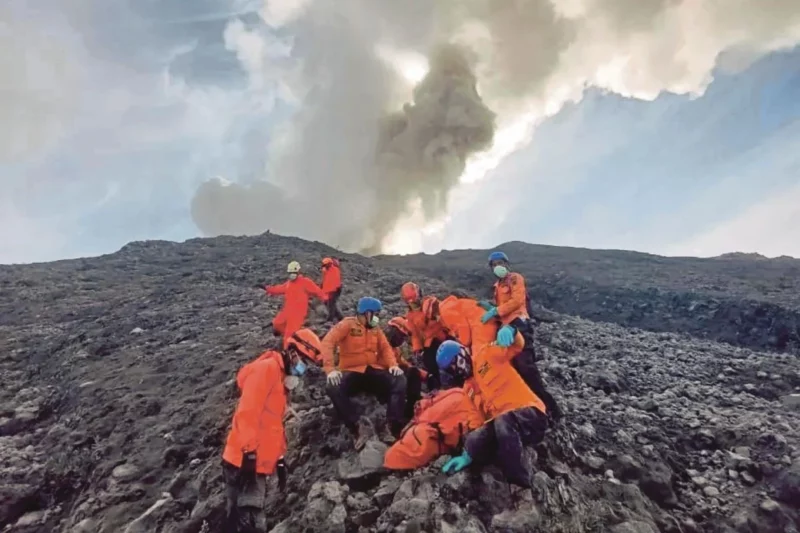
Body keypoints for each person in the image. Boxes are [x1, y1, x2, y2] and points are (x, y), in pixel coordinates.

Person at [221, 335, 318, 533]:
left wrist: (279, 458)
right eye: (304, 362)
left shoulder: (280, 378)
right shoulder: (266, 370)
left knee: (237, 517)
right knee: (250, 519)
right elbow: (248, 412)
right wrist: (249, 453)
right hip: (245, 460)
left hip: (255, 459)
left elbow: (272, 425)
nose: (303, 369)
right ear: (292, 353)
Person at [436, 338, 548, 491]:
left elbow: (516, 346)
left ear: (463, 353)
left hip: (531, 416)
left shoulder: (486, 354)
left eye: (457, 363)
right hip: (508, 430)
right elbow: (476, 422)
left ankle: (519, 484)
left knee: (503, 421)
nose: (459, 370)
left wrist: (512, 333)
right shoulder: (468, 389)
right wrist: (468, 452)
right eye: (452, 369)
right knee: (475, 439)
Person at [480, 251, 563, 422]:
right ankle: (530, 408)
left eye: (500, 263)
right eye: (494, 265)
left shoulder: (515, 278)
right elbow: (502, 308)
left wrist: (496, 310)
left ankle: (552, 411)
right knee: (515, 369)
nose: (498, 267)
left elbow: (517, 300)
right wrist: (491, 308)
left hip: (519, 324)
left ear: (507, 264)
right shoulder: (497, 287)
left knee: (527, 368)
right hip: (505, 328)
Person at [321, 297, 407, 450]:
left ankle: (393, 424)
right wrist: (330, 370)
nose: (377, 317)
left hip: (372, 371)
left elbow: (385, 348)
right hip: (351, 372)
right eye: (375, 314)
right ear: (367, 313)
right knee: (332, 387)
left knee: (399, 380)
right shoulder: (347, 324)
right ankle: (357, 426)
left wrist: (393, 365)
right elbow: (328, 342)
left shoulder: (375, 328)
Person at [263, 261, 327, 347]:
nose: (291, 275)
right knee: (277, 323)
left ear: (298, 272)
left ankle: (289, 349)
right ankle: (295, 336)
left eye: (293, 273)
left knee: (288, 336)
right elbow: (278, 289)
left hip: (298, 313)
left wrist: (325, 298)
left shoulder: (305, 282)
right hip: (287, 310)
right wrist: (267, 288)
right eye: (290, 273)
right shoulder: (289, 283)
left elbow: (317, 290)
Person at [401, 282, 448, 390]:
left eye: (414, 299)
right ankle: (438, 386)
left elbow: (442, 314)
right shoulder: (411, 315)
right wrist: (417, 349)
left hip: (443, 336)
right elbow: (415, 334)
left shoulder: (431, 302)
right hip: (430, 342)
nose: (413, 303)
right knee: (430, 362)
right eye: (410, 301)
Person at [384, 316, 427, 419]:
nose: (402, 340)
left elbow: (403, 364)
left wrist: (424, 374)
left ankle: (410, 409)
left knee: (412, 372)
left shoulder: (394, 350)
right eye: (401, 336)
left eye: (403, 337)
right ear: (393, 331)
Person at [320, 257, 344, 322]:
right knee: (328, 303)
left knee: (331, 303)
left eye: (325, 265)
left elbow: (335, 282)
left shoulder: (335, 270)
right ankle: (340, 317)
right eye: (324, 265)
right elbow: (325, 280)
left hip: (335, 290)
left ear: (330, 264)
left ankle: (330, 319)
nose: (324, 266)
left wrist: (331, 292)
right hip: (329, 290)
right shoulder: (325, 270)